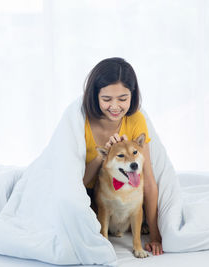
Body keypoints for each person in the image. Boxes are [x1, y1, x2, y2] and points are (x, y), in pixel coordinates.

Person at [82, 57, 163, 256]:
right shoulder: (80, 121)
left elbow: (149, 181)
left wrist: (155, 237)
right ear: (95, 95)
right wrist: (105, 156)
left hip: (129, 194)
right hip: (87, 195)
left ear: (132, 95)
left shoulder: (135, 120)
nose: (115, 106)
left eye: (123, 99)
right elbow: (79, 183)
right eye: (107, 99)